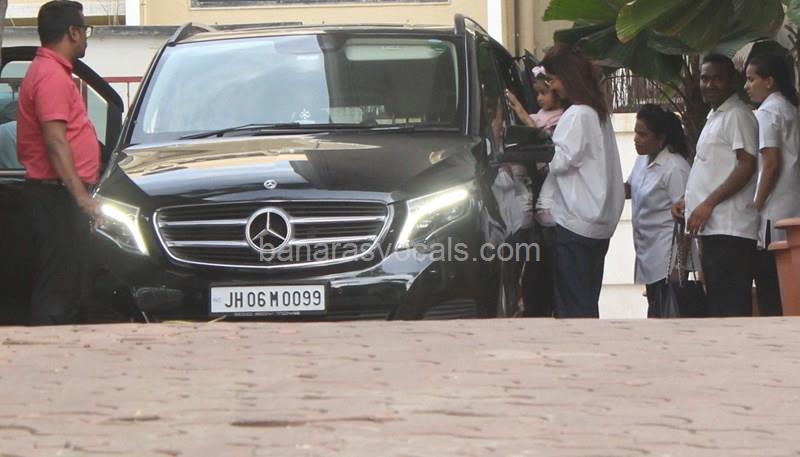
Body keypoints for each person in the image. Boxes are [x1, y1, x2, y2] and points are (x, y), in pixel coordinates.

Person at [17, 0, 101, 325]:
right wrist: (81, 198)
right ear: (73, 32)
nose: (86, 38)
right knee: (56, 292)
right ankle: (48, 349)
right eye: (85, 30)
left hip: (57, 195)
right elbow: (55, 141)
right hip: (56, 197)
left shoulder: (51, 70)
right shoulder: (51, 75)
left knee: (66, 287)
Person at [538, 46, 625, 318]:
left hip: (576, 222)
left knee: (573, 307)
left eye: (553, 79)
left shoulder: (577, 114)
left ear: (567, 77)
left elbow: (559, 161)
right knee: (586, 301)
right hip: (598, 224)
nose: (552, 87)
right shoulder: (597, 112)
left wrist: (541, 147)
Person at [672, 54, 759, 317]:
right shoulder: (716, 116)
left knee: (729, 309)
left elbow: (747, 165)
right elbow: (713, 169)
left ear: (732, 80)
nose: (710, 84)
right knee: (718, 307)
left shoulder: (737, 115)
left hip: (730, 229)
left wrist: (708, 204)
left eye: (718, 78)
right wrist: (687, 200)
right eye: (705, 78)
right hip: (713, 229)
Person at [744, 53, 800, 316]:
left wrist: (755, 206)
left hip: (773, 212)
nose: (746, 86)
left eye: (751, 79)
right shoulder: (790, 108)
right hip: (793, 205)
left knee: (770, 289)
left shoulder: (767, 112)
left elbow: (771, 163)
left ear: (769, 81)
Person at [625, 105, 691, 317]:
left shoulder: (675, 167)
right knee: (655, 310)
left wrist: (679, 267)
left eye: (643, 134)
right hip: (647, 251)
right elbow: (629, 188)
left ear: (660, 139)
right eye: (636, 132)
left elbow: (685, 216)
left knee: (668, 314)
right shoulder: (642, 161)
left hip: (668, 255)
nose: (636, 139)